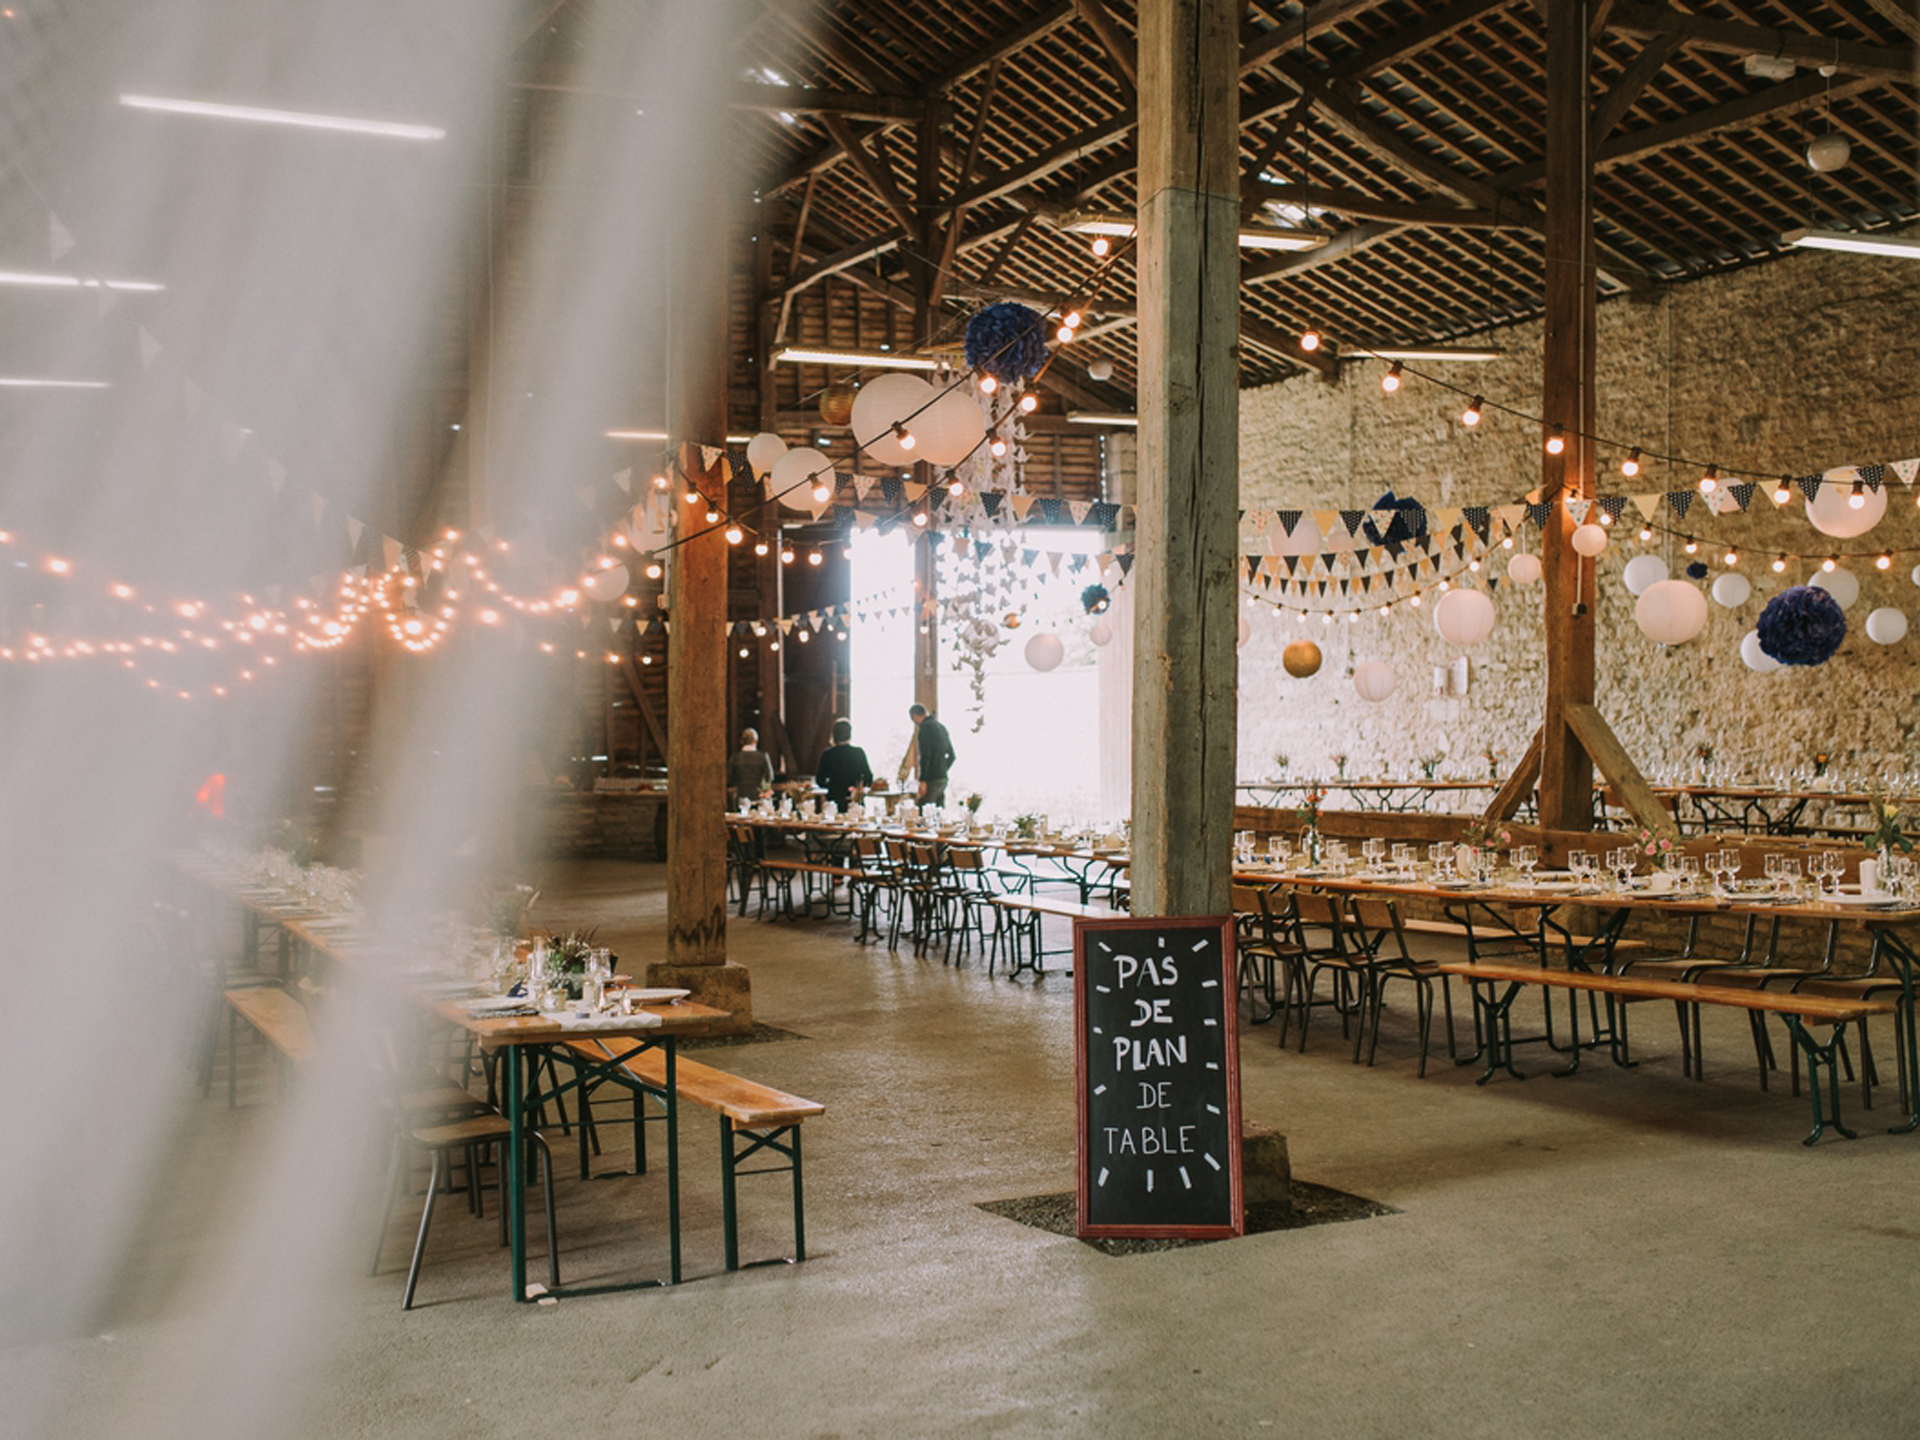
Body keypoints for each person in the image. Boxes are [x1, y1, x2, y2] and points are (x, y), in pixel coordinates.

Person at [815, 718, 873, 812]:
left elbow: (820, 780)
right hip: (854, 800)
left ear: (834, 734)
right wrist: (857, 787)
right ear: (849, 734)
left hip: (833, 800)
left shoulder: (827, 754)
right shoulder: (858, 753)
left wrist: (832, 786)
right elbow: (869, 778)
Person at [905, 703, 955, 808]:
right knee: (938, 812)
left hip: (931, 779)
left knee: (923, 811)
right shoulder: (942, 728)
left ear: (915, 716)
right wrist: (942, 769)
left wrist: (923, 780)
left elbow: (925, 756)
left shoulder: (925, 728)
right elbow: (952, 756)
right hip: (942, 778)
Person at [729, 728, 774, 806]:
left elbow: (729, 778)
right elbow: (769, 777)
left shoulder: (735, 758)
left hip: (741, 798)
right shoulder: (763, 757)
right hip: (759, 798)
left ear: (741, 741)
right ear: (756, 741)